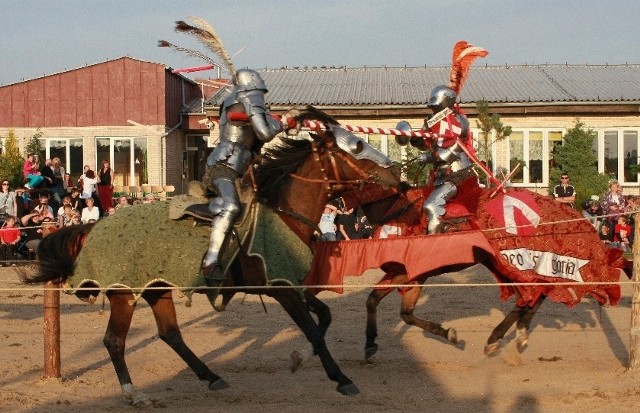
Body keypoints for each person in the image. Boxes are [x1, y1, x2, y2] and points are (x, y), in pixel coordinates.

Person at [185, 68, 301, 284]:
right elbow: (265, 132)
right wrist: (283, 123)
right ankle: (210, 263)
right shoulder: (248, 97)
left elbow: (259, 136)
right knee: (231, 206)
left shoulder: (237, 99)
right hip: (224, 168)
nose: (261, 98)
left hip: (241, 168)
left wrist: (276, 122)